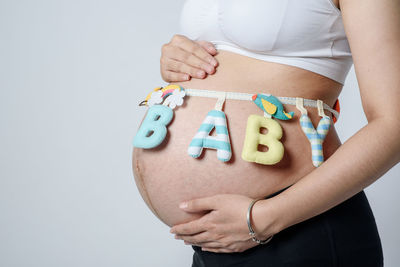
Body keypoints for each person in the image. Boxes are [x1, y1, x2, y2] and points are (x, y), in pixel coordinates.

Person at [133, 0, 400, 266]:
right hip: (220, 241)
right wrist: (178, 59)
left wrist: (262, 219)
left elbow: (394, 124)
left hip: (294, 227)